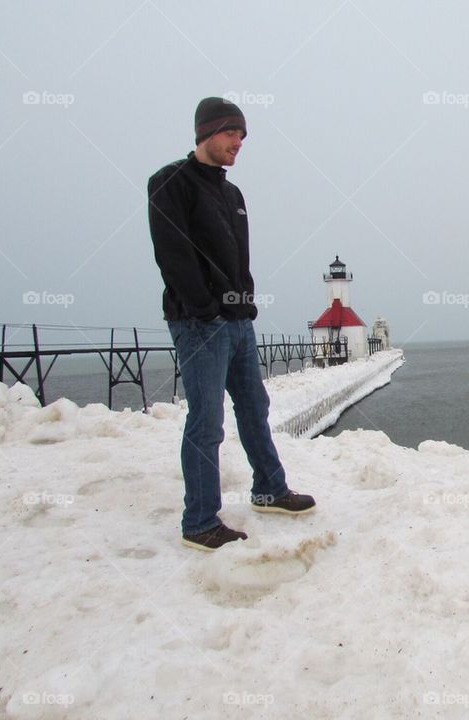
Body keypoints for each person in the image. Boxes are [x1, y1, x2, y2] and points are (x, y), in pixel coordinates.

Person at [147, 97, 315, 552]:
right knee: (207, 421)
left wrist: (246, 303)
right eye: (231, 133)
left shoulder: (231, 193)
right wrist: (203, 306)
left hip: (238, 322)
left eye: (243, 135)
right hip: (199, 323)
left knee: (254, 407)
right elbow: (172, 254)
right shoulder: (171, 183)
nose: (239, 142)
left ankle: (270, 489)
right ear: (206, 133)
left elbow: (238, 258)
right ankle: (199, 520)